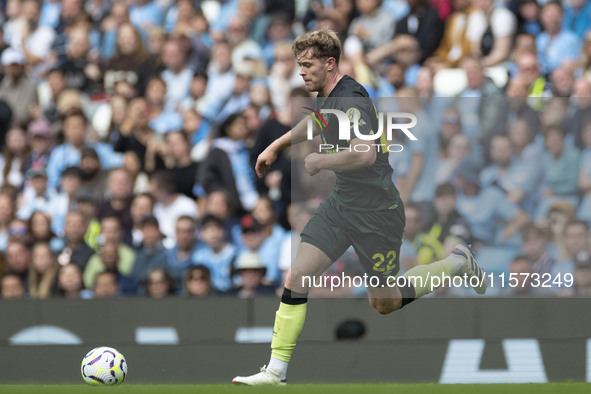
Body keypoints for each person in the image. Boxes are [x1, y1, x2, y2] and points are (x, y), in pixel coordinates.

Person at [232, 29, 487, 386]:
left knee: (385, 302)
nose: (301, 72)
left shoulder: (351, 98)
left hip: (376, 214)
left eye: (307, 65)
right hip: (342, 205)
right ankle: (276, 371)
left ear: (330, 63)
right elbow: (318, 122)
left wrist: (322, 161)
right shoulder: (331, 95)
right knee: (297, 276)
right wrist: (276, 146)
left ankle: (458, 262)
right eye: (299, 65)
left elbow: (365, 153)